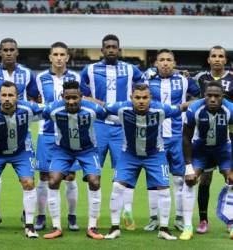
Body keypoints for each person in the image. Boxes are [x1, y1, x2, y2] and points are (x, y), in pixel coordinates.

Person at [104, 84, 188, 240]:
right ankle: (114, 228)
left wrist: (203, 99)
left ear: (150, 98)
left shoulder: (161, 109)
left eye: (145, 98)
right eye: (137, 98)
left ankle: (163, 229)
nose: (141, 101)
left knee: (163, 190)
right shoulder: (122, 108)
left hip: (155, 154)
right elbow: (101, 105)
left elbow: (182, 106)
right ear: (131, 98)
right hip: (129, 154)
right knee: (117, 187)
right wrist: (83, 98)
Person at [80, 34, 142, 230]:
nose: (111, 50)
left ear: (119, 49)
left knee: (125, 171)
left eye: (114, 47)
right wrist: (98, 103)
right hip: (97, 126)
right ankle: (95, 214)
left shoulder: (131, 70)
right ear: (102, 50)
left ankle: (127, 211)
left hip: (123, 127)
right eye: (107, 47)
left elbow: (144, 89)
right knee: (93, 171)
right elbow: (82, 95)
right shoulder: (89, 69)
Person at [0, 38, 38, 228]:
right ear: (0, 52)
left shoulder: (27, 73)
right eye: (5, 50)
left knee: (28, 178)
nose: (8, 53)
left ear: (17, 52)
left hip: (21, 128)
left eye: (11, 50)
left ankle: (27, 214)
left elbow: (33, 97)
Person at [143, 49, 200, 232]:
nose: (165, 63)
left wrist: (186, 109)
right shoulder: (147, 80)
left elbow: (200, 96)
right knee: (153, 179)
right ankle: (153, 218)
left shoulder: (184, 80)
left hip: (177, 136)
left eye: (169, 60)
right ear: (156, 63)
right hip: (154, 136)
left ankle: (179, 217)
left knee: (178, 179)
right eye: (162, 60)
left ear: (174, 63)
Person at [0, 81, 42, 238]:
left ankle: (30, 226)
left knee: (29, 182)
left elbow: (49, 111)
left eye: (10, 95)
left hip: (21, 152)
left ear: (17, 97)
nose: (7, 99)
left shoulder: (28, 109)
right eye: (3, 95)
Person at [42, 80, 106, 240]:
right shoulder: (52, 109)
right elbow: (34, 113)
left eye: (75, 98)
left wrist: (93, 100)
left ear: (81, 97)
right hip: (62, 150)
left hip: (88, 150)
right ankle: (56, 226)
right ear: (62, 96)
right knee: (53, 180)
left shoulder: (92, 109)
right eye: (67, 98)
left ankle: (92, 226)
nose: (71, 101)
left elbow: (110, 111)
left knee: (95, 182)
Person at [35, 42, 80, 231]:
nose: (59, 57)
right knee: (44, 176)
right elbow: (35, 100)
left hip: (70, 134)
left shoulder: (76, 77)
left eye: (63, 54)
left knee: (70, 176)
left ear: (68, 57)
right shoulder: (40, 78)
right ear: (50, 57)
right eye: (56, 54)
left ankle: (71, 216)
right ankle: (40, 216)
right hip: (46, 132)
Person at [180, 81, 233, 240]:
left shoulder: (230, 109)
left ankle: (231, 222)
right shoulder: (194, 109)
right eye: (209, 95)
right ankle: (189, 226)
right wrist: (188, 167)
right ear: (204, 96)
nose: (212, 99)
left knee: (232, 180)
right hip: (201, 149)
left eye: (216, 96)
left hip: (223, 149)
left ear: (222, 97)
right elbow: (186, 138)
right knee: (190, 181)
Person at [194, 45, 233, 233]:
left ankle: (230, 220)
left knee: (231, 179)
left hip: (228, 136)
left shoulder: (232, 79)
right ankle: (203, 220)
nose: (217, 59)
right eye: (214, 56)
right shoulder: (200, 78)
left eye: (221, 56)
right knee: (205, 179)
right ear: (209, 59)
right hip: (205, 137)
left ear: (225, 60)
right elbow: (194, 100)